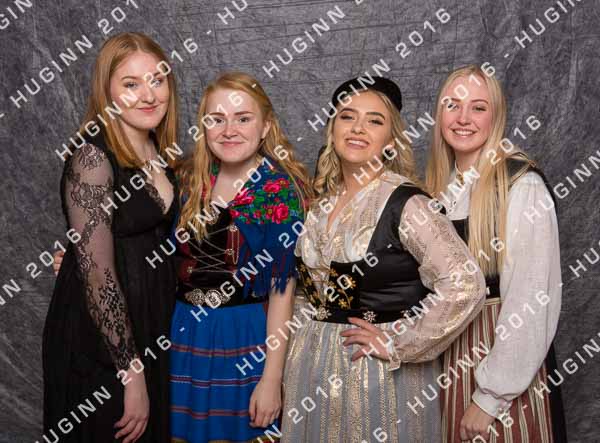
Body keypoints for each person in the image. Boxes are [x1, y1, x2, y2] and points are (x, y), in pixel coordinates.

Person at [281, 76, 486, 442]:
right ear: (332, 130)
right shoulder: (320, 203)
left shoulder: (408, 204)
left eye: (374, 121)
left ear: (391, 141)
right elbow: (306, 295)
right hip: (311, 368)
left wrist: (395, 341)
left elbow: (465, 284)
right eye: (347, 117)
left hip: (374, 374)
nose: (358, 128)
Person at [43, 33, 180, 443]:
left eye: (157, 80)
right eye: (131, 84)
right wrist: (131, 375)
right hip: (104, 344)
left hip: (150, 326)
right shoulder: (93, 158)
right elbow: (98, 275)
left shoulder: (159, 150)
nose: (148, 95)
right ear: (107, 92)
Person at [425, 65, 566, 442]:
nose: (463, 118)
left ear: (496, 116)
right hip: (446, 357)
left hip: (498, 356)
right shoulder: (439, 190)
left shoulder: (521, 184)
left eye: (478, 107)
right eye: (453, 105)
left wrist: (491, 397)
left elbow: (532, 297)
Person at [170, 72, 310, 442]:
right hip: (181, 331)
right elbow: (137, 240)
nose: (229, 130)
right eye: (217, 119)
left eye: (243, 118)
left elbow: (282, 294)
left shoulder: (280, 191)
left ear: (265, 127)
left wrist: (271, 379)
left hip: (245, 333)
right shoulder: (185, 179)